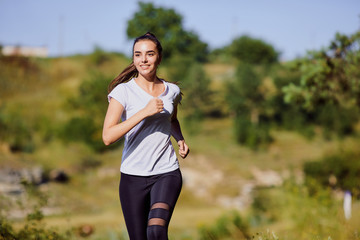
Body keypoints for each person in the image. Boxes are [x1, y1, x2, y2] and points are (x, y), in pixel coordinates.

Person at [102, 32, 189, 240]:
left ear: (159, 57)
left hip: (166, 171)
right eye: (138, 54)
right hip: (132, 176)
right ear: (133, 58)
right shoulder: (123, 92)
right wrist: (144, 112)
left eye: (149, 54)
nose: (143, 59)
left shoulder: (172, 91)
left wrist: (180, 139)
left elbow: (172, 120)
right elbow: (108, 136)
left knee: (156, 231)